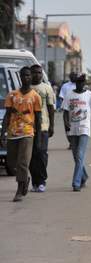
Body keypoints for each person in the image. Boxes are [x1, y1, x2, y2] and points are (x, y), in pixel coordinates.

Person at [0, 67, 42, 202]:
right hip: (13, 133)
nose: (26, 78)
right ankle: (25, 179)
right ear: (20, 77)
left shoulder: (35, 96)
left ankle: (19, 190)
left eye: (28, 75)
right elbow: (7, 115)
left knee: (23, 162)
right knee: (12, 163)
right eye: (23, 76)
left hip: (27, 133)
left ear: (31, 77)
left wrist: (39, 137)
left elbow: (38, 117)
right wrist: (2, 134)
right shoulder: (12, 95)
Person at [62, 73, 91, 192]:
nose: (80, 84)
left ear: (84, 83)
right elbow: (65, 112)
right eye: (78, 82)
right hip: (72, 130)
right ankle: (84, 176)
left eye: (82, 82)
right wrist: (66, 124)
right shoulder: (69, 95)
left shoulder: (89, 95)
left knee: (80, 155)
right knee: (76, 157)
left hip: (84, 129)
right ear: (76, 83)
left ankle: (76, 183)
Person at [29, 64, 55, 193]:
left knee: (41, 153)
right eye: (34, 72)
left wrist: (52, 126)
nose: (37, 75)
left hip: (44, 126)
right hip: (28, 128)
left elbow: (51, 108)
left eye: (39, 72)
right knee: (31, 156)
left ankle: (42, 181)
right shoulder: (26, 88)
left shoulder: (47, 88)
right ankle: (34, 182)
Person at [59, 72, 77, 149]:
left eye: (75, 76)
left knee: (76, 127)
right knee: (67, 127)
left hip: (77, 110)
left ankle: (75, 143)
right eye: (72, 76)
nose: (74, 77)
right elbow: (62, 96)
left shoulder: (78, 85)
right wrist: (66, 105)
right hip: (67, 110)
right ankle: (71, 142)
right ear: (69, 77)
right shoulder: (65, 86)